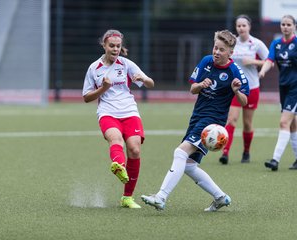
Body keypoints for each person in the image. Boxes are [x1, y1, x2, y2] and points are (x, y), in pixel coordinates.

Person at [141, 30, 249, 212]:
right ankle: (220, 197)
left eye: (221, 50)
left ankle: (160, 197)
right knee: (190, 166)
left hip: (212, 123)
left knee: (180, 153)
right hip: (197, 117)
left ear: (230, 52)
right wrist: (200, 85)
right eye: (215, 47)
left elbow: (244, 101)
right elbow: (192, 89)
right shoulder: (206, 61)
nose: (216, 52)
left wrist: (236, 91)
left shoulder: (235, 72)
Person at [82, 29, 154, 208]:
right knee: (116, 140)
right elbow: (86, 97)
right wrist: (103, 89)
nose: (115, 49)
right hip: (107, 112)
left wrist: (143, 79)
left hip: (129, 111)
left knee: (135, 150)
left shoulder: (126, 64)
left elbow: (151, 83)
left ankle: (127, 197)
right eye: (111, 46)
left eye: (118, 46)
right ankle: (118, 165)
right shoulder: (94, 68)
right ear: (104, 45)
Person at [219, 15, 269, 165]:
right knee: (231, 119)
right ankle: (225, 152)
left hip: (252, 88)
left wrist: (253, 62)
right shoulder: (231, 42)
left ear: (249, 27)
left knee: (247, 124)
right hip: (235, 88)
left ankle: (246, 152)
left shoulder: (256, 44)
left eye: (244, 26)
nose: (241, 28)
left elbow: (269, 61)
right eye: (238, 26)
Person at [259, 15, 297, 171]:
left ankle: (275, 160)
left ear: (294, 26)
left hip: (296, 88)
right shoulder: (276, 43)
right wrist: (263, 71)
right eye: (283, 24)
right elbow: (269, 61)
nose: (285, 27)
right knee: (293, 125)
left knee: (283, 122)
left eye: (289, 24)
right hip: (284, 87)